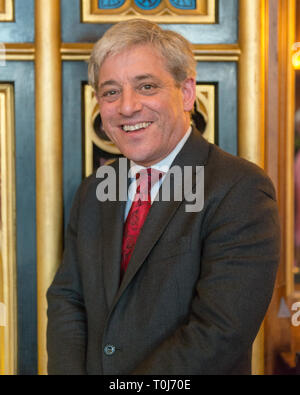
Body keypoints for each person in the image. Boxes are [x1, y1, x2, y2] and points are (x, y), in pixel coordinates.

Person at [47, 19, 280, 375]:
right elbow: (68, 301)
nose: (127, 107)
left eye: (146, 86)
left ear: (187, 93)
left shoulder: (240, 188)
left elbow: (220, 332)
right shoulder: (95, 189)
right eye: (111, 92)